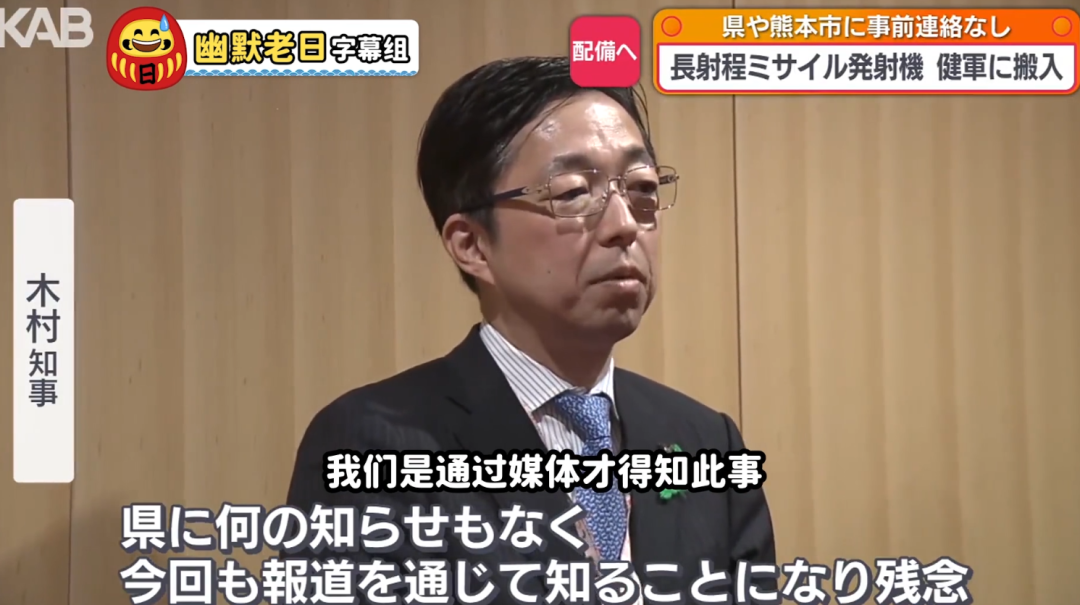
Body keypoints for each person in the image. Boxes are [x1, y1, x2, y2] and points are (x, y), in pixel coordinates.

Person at [286, 56, 776, 602]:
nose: (624, 225)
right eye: (572, 193)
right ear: (472, 245)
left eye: (641, 188)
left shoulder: (706, 442)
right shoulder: (375, 444)